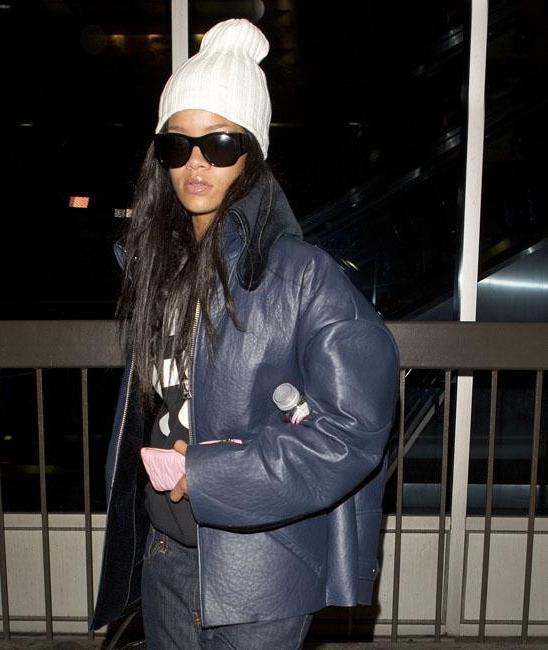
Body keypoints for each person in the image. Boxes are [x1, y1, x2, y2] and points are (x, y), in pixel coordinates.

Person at [92, 18, 399, 649]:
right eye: (177, 145)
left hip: (260, 570)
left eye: (220, 143)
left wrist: (210, 475)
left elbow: (352, 431)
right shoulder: (160, 269)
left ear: (251, 154)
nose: (196, 162)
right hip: (165, 552)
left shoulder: (303, 276)